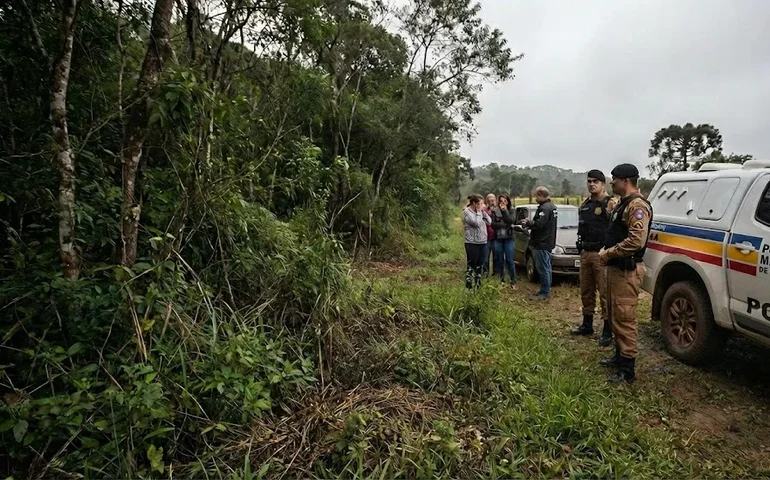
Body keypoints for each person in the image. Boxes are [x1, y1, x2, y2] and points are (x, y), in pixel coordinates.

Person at [598, 163, 653, 383]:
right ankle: (619, 356)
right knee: (614, 315)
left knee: (625, 317)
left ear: (625, 180)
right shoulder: (623, 204)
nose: (611, 182)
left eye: (614, 178)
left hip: (627, 269)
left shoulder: (637, 206)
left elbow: (636, 240)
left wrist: (609, 253)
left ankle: (627, 369)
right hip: (616, 269)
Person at [571, 170, 617, 346]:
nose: (591, 184)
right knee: (586, 290)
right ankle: (587, 324)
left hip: (601, 254)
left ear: (603, 184)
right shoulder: (585, 204)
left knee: (605, 293)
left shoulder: (610, 204)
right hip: (585, 252)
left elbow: (616, 230)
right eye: (589, 181)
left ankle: (607, 329)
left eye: (595, 181)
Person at [520, 186, 557, 300]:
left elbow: (540, 224)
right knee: (547, 267)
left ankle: (545, 292)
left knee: (543, 268)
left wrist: (528, 223)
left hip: (542, 242)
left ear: (541, 195)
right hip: (547, 241)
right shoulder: (552, 206)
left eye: (536, 196)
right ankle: (545, 290)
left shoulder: (545, 208)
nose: (535, 198)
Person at [463, 194, 492, 290]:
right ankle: (469, 285)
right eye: (480, 203)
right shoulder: (467, 212)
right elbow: (476, 223)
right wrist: (479, 212)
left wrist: (483, 213)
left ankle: (478, 283)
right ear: (474, 203)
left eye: (483, 203)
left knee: (480, 263)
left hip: (482, 241)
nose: (482, 205)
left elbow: (489, 222)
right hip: (472, 242)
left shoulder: (481, 212)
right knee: (472, 263)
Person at [491, 194, 517, 288]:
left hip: (509, 238)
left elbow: (510, 221)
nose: (502, 203)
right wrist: (502, 225)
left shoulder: (512, 210)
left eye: (504, 201)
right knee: (500, 260)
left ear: (508, 201)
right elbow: (492, 224)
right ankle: (502, 280)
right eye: (501, 201)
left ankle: (513, 281)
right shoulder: (495, 210)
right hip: (498, 238)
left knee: (510, 260)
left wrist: (505, 210)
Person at [483, 193, 497, 277]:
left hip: (496, 237)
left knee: (496, 257)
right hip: (486, 237)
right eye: (489, 201)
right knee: (485, 258)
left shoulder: (499, 210)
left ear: (495, 200)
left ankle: (496, 274)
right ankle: (485, 273)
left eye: (492, 200)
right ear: (486, 201)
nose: (491, 202)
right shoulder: (483, 210)